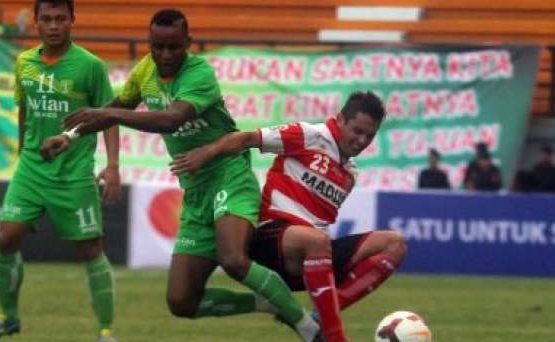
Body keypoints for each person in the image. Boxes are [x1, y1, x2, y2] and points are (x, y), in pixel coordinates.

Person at [40, 9, 320, 341]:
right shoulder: (145, 70)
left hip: (229, 174)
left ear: (188, 43)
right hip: (196, 190)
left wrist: (105, 111)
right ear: (150, 43)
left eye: (174, 47)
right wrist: (70, 136)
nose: (166, 55)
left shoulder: (199, 73)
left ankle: (309, 328)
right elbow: (119, 107)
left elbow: (171, 119)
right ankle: (270, 302)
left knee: (233, 259)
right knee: (181, 301)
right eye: (158, 46)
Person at [170, 91, 407, 342]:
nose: (361, 141)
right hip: (270, 238)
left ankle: (318, 317)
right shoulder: (308, 135)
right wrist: (206, 153)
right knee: (316, 241)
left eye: (369, 136)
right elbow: (248, 138)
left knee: (394, 244)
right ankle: (333, 336)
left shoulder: (350, 174)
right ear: (339, 120)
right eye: (357, 131)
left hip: (309, 255)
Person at [0, 0, 121, 342]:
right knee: (7, 237)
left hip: (73, 172)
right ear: (36, 22)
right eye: (46, 19)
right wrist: (23, 148)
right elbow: (23, 108)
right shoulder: (24, 62)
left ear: (73, 20)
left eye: (60, 19)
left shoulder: (90, 66)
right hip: (30, 167)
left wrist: (113, 165)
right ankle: (8, 317)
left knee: (90, 249)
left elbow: (109, 117)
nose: (54, 26)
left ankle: (105, 331)